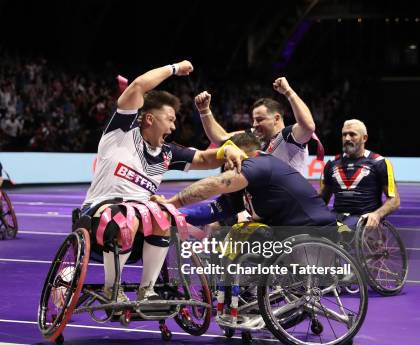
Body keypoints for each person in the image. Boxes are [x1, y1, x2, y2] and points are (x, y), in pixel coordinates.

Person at [79, 60, 246, 303]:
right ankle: (111, 289)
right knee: (129, 216)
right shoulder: (121, 133)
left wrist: (227, 150)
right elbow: (137, 86)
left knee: (162, 217)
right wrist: (176, 68)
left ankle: (147, 290)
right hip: (99, 213)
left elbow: (203, 157)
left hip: (141, 219)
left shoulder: (167, 152)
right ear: (148, 119)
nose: (174, 125)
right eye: (170, 119)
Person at [181, 78, 318, 226]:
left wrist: (288, 92)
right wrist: (204, 111)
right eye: (253, 120)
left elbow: (309, 126)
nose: (254, 125)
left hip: (287, 210)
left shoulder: (289, 137)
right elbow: (221, 138)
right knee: (206, 221)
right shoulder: (256, 137)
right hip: (259, 203)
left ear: (276, 118)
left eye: (259, 120)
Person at [154, 132, 336, 227]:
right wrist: (173, 215)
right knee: (237, 233)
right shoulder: (243, 185)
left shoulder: (259, 164)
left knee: (243, 234)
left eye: (227, 159)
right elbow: (212, 211)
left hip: (314, 232)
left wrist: (172, 203)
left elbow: (214, 184)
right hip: (289, 234)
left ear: (241, 153)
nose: (224, 165)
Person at [319, 119, 400, 228]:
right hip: (336, 218)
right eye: (344, 135)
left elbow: (394, 200)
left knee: (341, 229)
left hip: (363, 219)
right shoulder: (331, 164)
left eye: (352, 134)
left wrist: (377, 215)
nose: (347, 138)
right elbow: (322, 199)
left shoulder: (380, 163)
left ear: (364, 138)